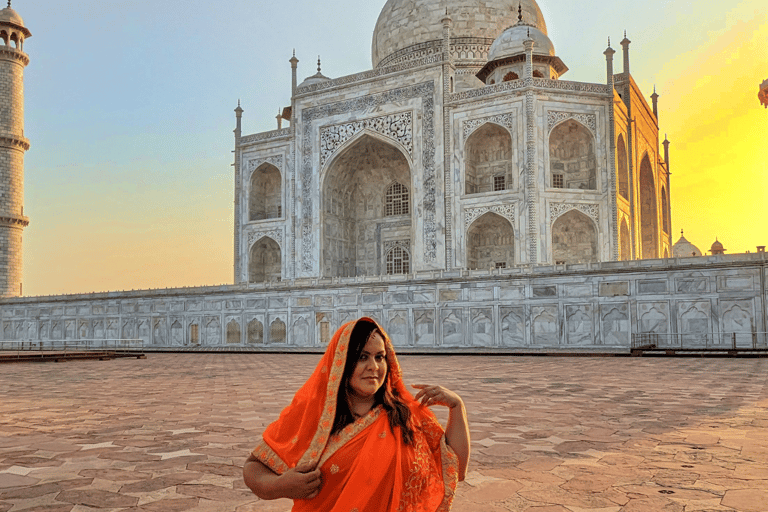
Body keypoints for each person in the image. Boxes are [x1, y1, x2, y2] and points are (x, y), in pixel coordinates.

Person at [243, 317, 470, 511]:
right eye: (363, 357)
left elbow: (454, 468)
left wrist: (457, 408)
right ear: (342, 362)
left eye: (380, 357)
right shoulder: (314, 414)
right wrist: (280, 486)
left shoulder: (406, 414)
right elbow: (254, 466)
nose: (374, 366)